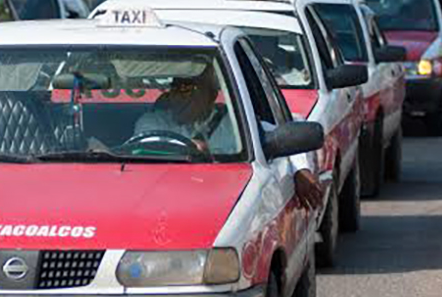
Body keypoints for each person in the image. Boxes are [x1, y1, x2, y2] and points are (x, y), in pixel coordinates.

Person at [134, 65, 323, 209]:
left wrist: (300, 169)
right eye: (175, 88)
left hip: (222, 204)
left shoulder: (232, 123)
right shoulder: (152, 123)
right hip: (161, 199)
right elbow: (145, 149)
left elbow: (277, 136)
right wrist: (187, 149)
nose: (178, 96)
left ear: (210, 94)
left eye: (188, 89)